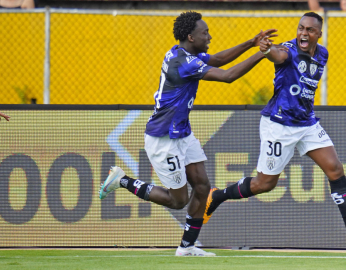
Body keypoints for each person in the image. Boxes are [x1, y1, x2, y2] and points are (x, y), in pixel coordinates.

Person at [99, 11, 278, 256]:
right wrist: (263, 53)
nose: (210, 36)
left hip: (181, 133)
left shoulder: (185, 53)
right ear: (191, 36)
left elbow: (216, 59)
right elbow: (227, 76)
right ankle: (122, 180)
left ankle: (187, 247)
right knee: (178, 200)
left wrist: (251, 42)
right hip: (163, 138)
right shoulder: (183, 63)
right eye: (205, 33)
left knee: (203, 186)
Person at [203, 12, 346, 250]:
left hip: (306, 124)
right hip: (279, 125)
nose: (303, 34)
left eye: (309, 30)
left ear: (319, 34)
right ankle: (217, 196)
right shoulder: (288, 50)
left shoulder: (323, 54)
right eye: (300, 28)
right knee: (264, 184)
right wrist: (266, 49)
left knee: (335, 169)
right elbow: (278, 54)